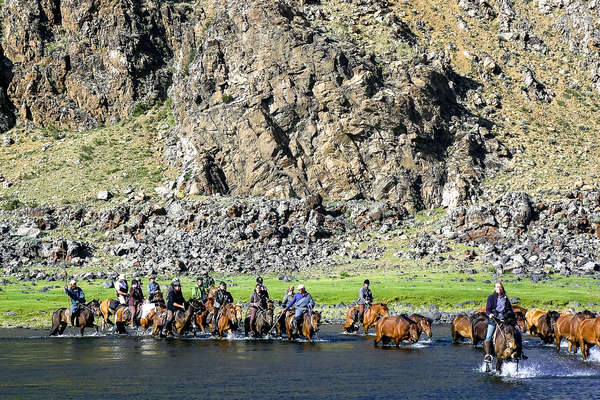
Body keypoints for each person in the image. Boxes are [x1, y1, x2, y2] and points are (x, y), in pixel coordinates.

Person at [483, 280, 526, 362]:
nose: (499, 288)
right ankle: (488, 355)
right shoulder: (491, 298)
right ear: (494, 288)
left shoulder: (506, 298)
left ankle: (520, 352)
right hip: (494, 320)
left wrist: (512, 320)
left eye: (500, 287)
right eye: (497, 287)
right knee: (488, 337)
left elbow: (510, 310)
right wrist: (490, 314)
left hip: (506, 321)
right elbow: (487, 309)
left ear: (502, 288)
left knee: (518, 333)